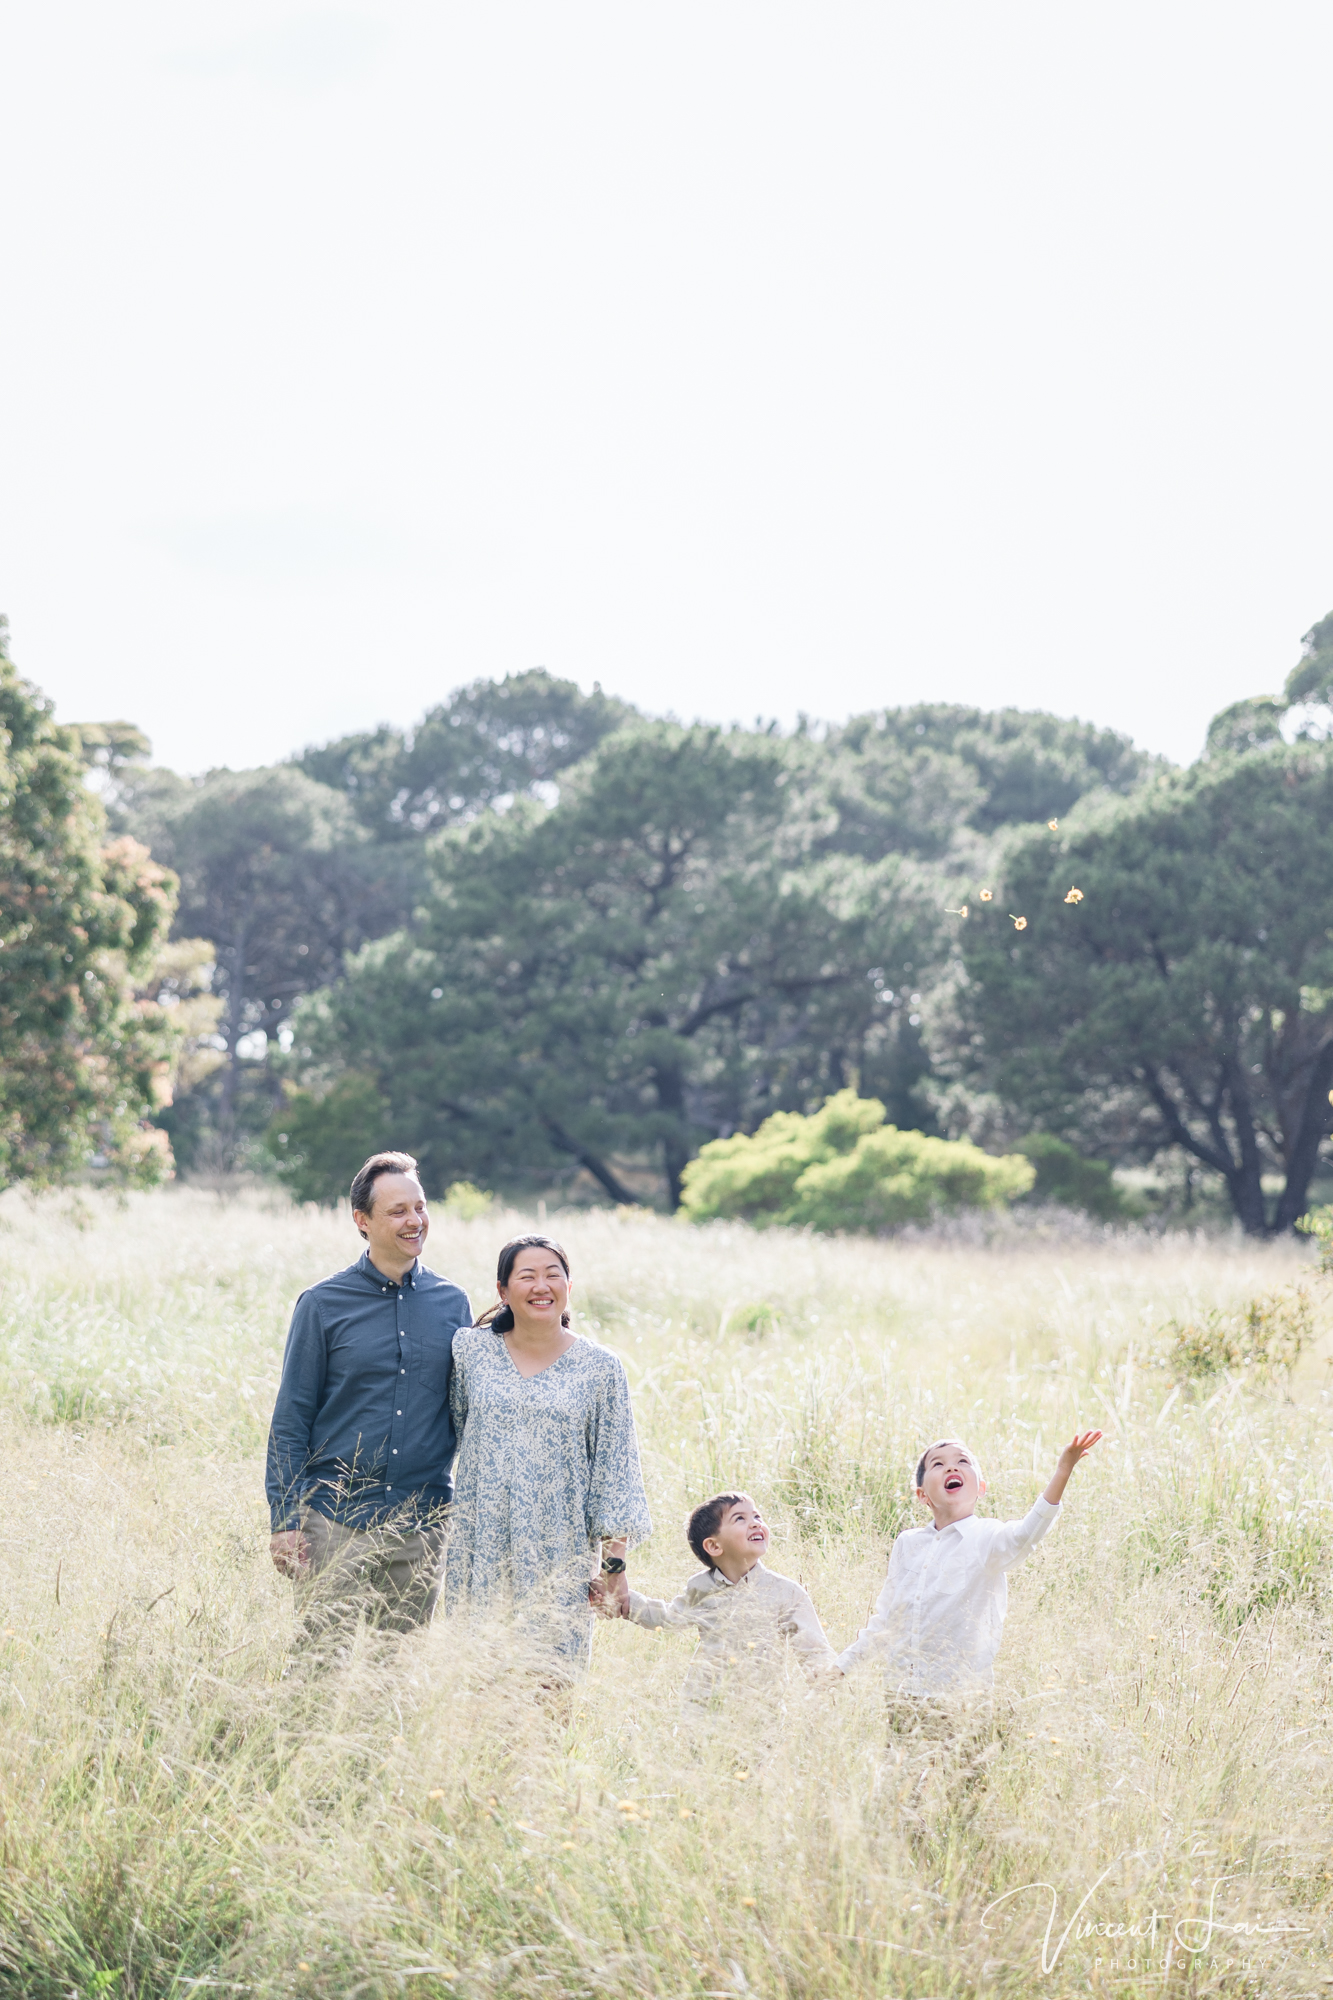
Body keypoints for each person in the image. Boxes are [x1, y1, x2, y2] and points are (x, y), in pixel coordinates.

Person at [265, 1151, 473, 1640]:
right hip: (333, 1524)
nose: (414, 1221)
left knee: (396, 1677)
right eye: (397, 1211)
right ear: (362, 1220)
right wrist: (285, 1519)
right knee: (319, 1672)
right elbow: (291, 1418)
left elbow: (469, 1412)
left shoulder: (453, 1303)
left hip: (421, 1526)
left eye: (419, 1207)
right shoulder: (322, 1305)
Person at [443, 1235, 651, 1678]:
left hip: (560, 1551)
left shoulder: (600, 1367)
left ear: (569, 1287)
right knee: (477, 1679)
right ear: (502, 1291)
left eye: (553, 1274)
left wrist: (615, 1568)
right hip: (481, 1543)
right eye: (528, 1276)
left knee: (549, 1684)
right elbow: (455, 1429)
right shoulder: (469, 1350)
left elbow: (615, 1473)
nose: (542, 1285)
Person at [836, 1431, 1103, 1694]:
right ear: (922, 1496)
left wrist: (1063, 1471)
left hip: (960, 1697)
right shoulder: (908, 1543)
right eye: (937, 1464)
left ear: (981, 1488)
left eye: (962, 1461)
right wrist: (840, 1668)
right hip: (900, 1692)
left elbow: (1026, 1535)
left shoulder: (987, 1537)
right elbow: (886, 1620)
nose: (951, 1465)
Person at [622, 1491, 837, 1718]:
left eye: (757, 1516)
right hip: (702, 1710)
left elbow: (814, 1647)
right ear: (714, 1546)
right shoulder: (701, 1587)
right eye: (740, 1519)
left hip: (762, 1714)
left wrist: (824, 1675)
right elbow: (668, 1618)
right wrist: (625, 1602)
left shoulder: (787, 1592)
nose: (755, 1524)